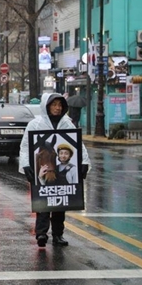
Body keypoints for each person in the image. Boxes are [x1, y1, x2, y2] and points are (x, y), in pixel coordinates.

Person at [20, 93, 91, 248]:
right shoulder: (35, 125)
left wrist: (84, 161)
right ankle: (41, 233)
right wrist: (26, 165)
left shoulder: (67, 124)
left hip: (59, 170)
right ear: (47, 106)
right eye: (54, 105)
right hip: (42, 169)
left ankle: (58, 234)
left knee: (60, 203)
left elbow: (78, 144)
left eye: (60, 105)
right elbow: (26, 146)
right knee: (43, 202)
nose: (57, 108)